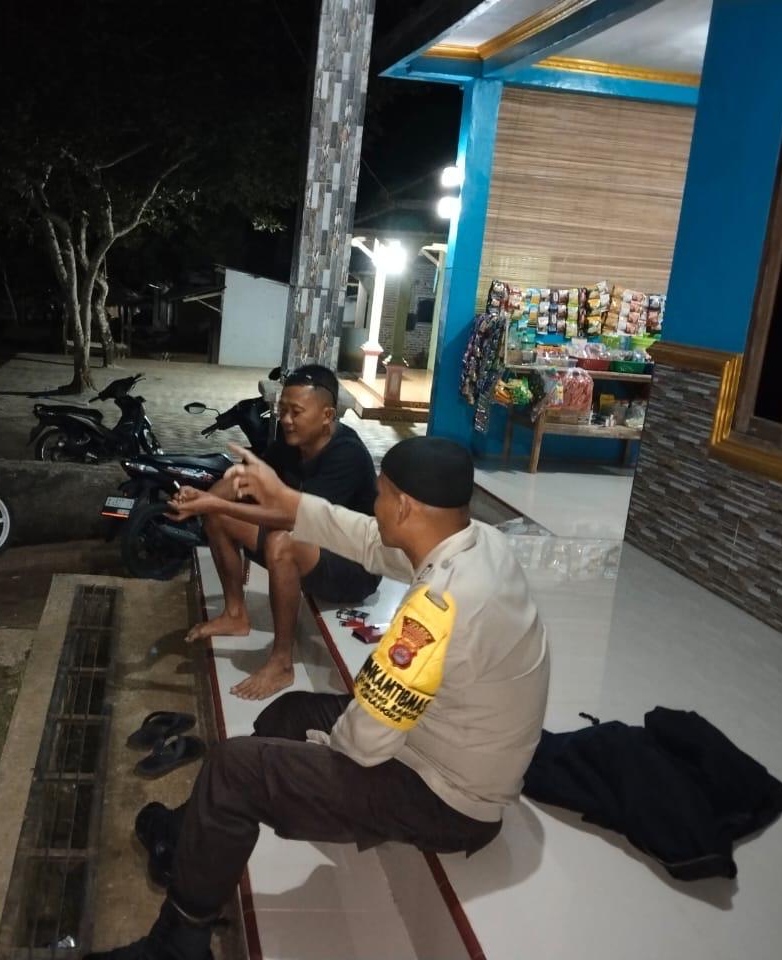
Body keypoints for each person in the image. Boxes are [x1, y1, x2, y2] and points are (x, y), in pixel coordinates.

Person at [87, 437, 550, 960]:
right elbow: (369, 541)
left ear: (404, 506)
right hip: (442, 746)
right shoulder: (478, 542)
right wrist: (286, 499)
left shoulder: (440, 604)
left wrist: (323, 747)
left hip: (447, 797)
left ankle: (178, 944)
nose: (373, 504)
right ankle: (186, 837)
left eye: (380, 494)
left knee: (234, 768)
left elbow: (365, 744)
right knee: (289, 713)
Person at [173, 364, 380, 701]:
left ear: (327, 415)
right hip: (314, 547)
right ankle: (235, 615)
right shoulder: (291, 440)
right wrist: (204, 498)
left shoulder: (347, 455)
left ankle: (283, 662)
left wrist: (215, 503)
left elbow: (294, 519)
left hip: (354, 567)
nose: (286, 420)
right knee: (220, 514)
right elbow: (246, 477)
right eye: (282, 410)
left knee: (282, 541)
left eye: (296, 412)